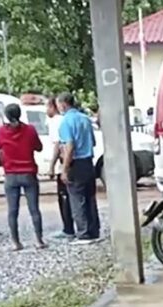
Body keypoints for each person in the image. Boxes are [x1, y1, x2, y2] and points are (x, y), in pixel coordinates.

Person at [0, 104, 45, 251]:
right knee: (34, 209)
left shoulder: (1, 132)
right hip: (28, 173)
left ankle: (16, 243)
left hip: (11, 175)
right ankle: (38, 240)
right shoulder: (30, 130)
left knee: (12, 210)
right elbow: (39, 147)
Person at [57, 92, 100, 245]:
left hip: (75, 163)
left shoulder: (65, 122)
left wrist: (64, 168)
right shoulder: (85, 119)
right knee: (90, 198)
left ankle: (83, 233)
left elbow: (69, 146)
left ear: (63, 104)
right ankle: (94, 230)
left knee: (76, 198)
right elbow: (93, 142)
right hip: (88, 162)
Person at [46, 97, 74, 240]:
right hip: (66, 164)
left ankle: (68, 229)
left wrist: (52, 166)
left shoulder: (56, 121)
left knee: (64, 198)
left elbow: (59, 145)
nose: (46, 110)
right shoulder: (62, 120)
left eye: (47, 107)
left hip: (62, 166)